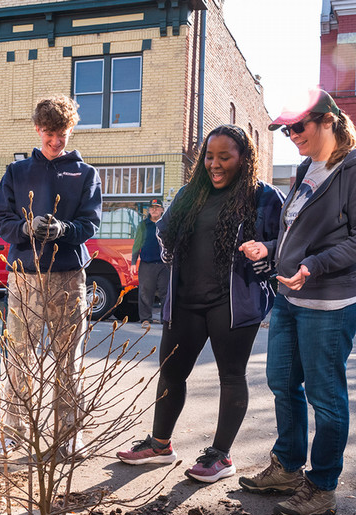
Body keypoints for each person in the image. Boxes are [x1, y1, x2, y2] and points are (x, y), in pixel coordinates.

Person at [238, 89, 356, 515]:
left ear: (328, 120)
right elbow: (295, 232)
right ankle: (286, 468)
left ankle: (321, 487)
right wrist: (269, 248)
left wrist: (314, 265)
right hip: (291, 296)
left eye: (298, 126)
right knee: (282, 382)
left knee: (325, 396)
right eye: (286, 130)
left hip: (332, 301)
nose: (291, 135)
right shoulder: (307, 168)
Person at [116, 125, 283, 483]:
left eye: (225, 157)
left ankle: (220, 456)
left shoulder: (263, 197)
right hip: (185, 302)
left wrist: (263, 254)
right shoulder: (191, 193)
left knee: (231, 376)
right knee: (172, 372)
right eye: (210, 156)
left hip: (233, 303)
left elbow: (283, 244)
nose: (215, 164)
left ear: (244, 158)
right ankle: (161, 445)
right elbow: (165, 232)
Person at [0, 95, 102, 460]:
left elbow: (90, 224)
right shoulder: (17, 172)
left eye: (64, 134)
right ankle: (13, 435)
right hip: (24, 276)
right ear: (38, 129)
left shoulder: (85, 174)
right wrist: (27, 227)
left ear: (72, 131)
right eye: (50, 133)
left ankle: (69, 434)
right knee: (19, 357)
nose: (57, 141)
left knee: (68, 359)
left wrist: (64, 229)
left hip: (69, 276)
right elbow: (3, 224)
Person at [130, 199, 169, 325]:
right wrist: (133, 263)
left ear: (162, 210)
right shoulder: (143, 225)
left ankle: (166, 319)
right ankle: (146, 319)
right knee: (145, 293)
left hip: (165, 265)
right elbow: (137, 244)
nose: (154, 210)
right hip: (147, 264)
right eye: (152, 208)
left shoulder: (167, 224)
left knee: (166, 293)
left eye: (157, 208)